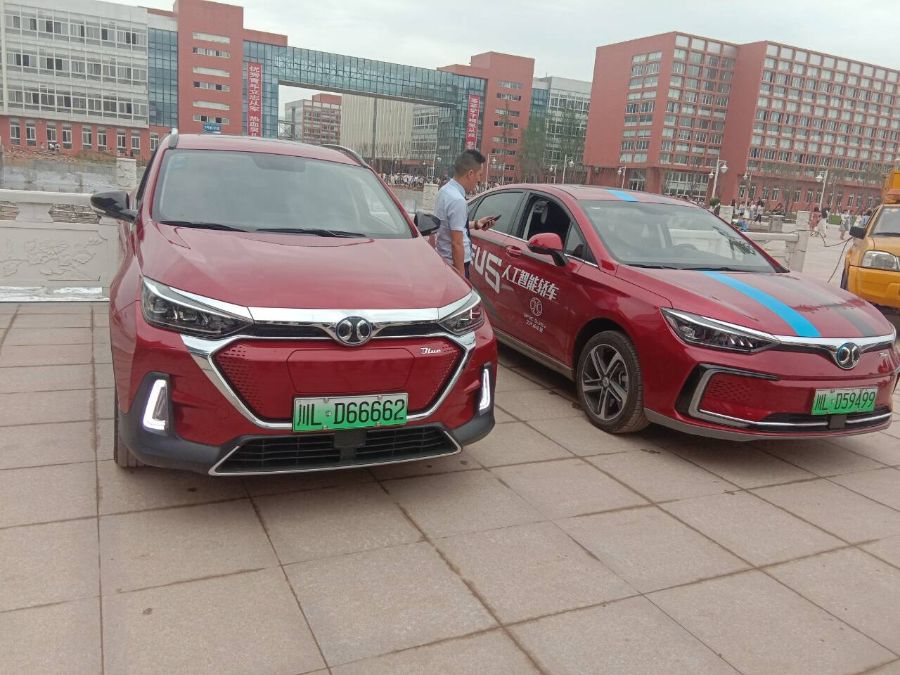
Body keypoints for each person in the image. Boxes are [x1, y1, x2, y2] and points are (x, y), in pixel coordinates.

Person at [434, 150, 496, 278]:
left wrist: (477, 224)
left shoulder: (445, 191)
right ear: (470, 174)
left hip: (444, 259)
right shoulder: (457, 200)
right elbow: (457, 244)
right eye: (479, 175)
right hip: (455, 264)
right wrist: (461, 276)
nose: (479, 179)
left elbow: (451, 225)